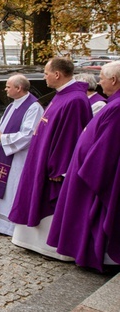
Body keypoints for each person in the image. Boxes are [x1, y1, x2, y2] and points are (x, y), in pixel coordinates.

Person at [8, 57, 93, 259]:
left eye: (46, 73)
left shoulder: (75, 100)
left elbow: (70, 138)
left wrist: (59, 168)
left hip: (53, 167)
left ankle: (51, 247)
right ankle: (31, 241)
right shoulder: (61, 95)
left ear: (57, 74)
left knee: (49, 202)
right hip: (40, 159)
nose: (44, 77)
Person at [46, 61, 120, 271]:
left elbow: (107, 148)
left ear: (114, 80)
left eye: (103, 78)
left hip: (92, 175)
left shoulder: (116, 107)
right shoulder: (113, 103)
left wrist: (86, 170)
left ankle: (95, 257)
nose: (100, 83)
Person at [0, 75, 44, 236]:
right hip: (3, 152)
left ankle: (7, 225)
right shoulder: (12, 105)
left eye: (8, 86)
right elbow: (3, 124)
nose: (5, 89)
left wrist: (3, 138)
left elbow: (28, 135)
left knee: (12, 187)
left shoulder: (33, 107)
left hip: (17, 158)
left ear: (18, 88)